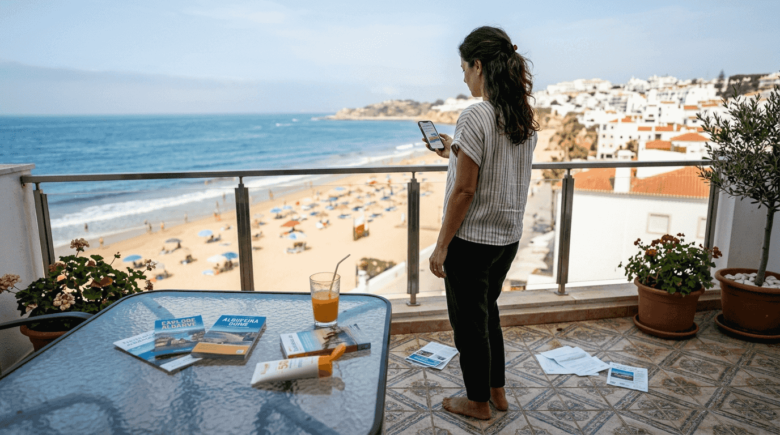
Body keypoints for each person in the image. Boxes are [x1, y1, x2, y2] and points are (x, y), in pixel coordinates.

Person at [426, 26, 539, 420]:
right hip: (505, 238)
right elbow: (490, 167)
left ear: (478, 65)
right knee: (487, 313)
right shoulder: (519, 116)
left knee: (468, 324)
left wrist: (442, 244)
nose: (462, 76)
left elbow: (465, 190)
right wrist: (451, 151)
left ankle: (477, 402)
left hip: (471, 240)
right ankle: (497, 390)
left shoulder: (475, 113)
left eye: (463, 67)